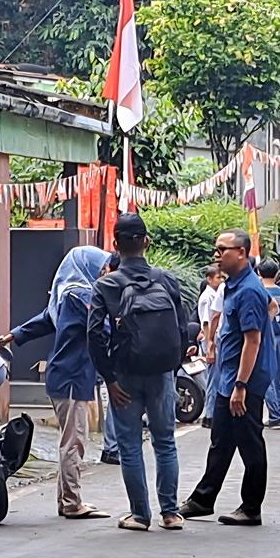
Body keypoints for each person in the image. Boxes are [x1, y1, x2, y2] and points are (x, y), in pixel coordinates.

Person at [0, 246, 112, 520]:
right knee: (74, 440)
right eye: (100, 268)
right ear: (86, 267)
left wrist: (8, 338)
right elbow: (99, 330)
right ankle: (73, 502)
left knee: (71, 438)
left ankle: (67, 501)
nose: (104, 273)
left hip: (63, 374)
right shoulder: (81, 296)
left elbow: (42, 322)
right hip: (73, 375)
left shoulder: (64, 295)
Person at [88, 213, 188, 532]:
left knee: (130, 445)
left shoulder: (106, 284)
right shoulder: (167, 279)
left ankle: (140, 515)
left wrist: (109, 378)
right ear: (146, 242)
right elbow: (183, 327)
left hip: (124, 376)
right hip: (162, 373)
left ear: (115, 245)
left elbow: (95, 335)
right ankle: (171, 513)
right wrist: (173, 367)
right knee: (165, 442)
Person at [180, 229, 275, 527]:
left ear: (242, 253)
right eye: (217, 249)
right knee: (221, 441)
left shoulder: (248, 290)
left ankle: (251, 507)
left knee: (249, 443)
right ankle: (202, 499)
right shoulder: (234, 286)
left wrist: (241, 387)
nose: (218, 254)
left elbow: (253, 341)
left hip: (243, 382)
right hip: (229, 379)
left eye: (224, 249)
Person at [258, 259, 280, 429]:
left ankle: (275, 415)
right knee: (279, 377)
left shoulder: (257, 292)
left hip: (264, 338)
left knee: (266, 378)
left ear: (258, 273)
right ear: (278, 274)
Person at [100, 252, 122, 465]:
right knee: (117, 403)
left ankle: (113, 446)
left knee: (118, 403)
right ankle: (112, 447)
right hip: (113, 358)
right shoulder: (106, 290)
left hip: (113, 357)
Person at [198, 266, 225, 429]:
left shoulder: (215, 294)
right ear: (209, 279)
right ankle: (209, 414)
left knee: (217, 377)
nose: (220, 281)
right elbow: (206, 322)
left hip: (215, 339)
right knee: (213, 379)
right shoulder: (207, 297)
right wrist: (210, 345)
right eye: (217, 278)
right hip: (212, 339)